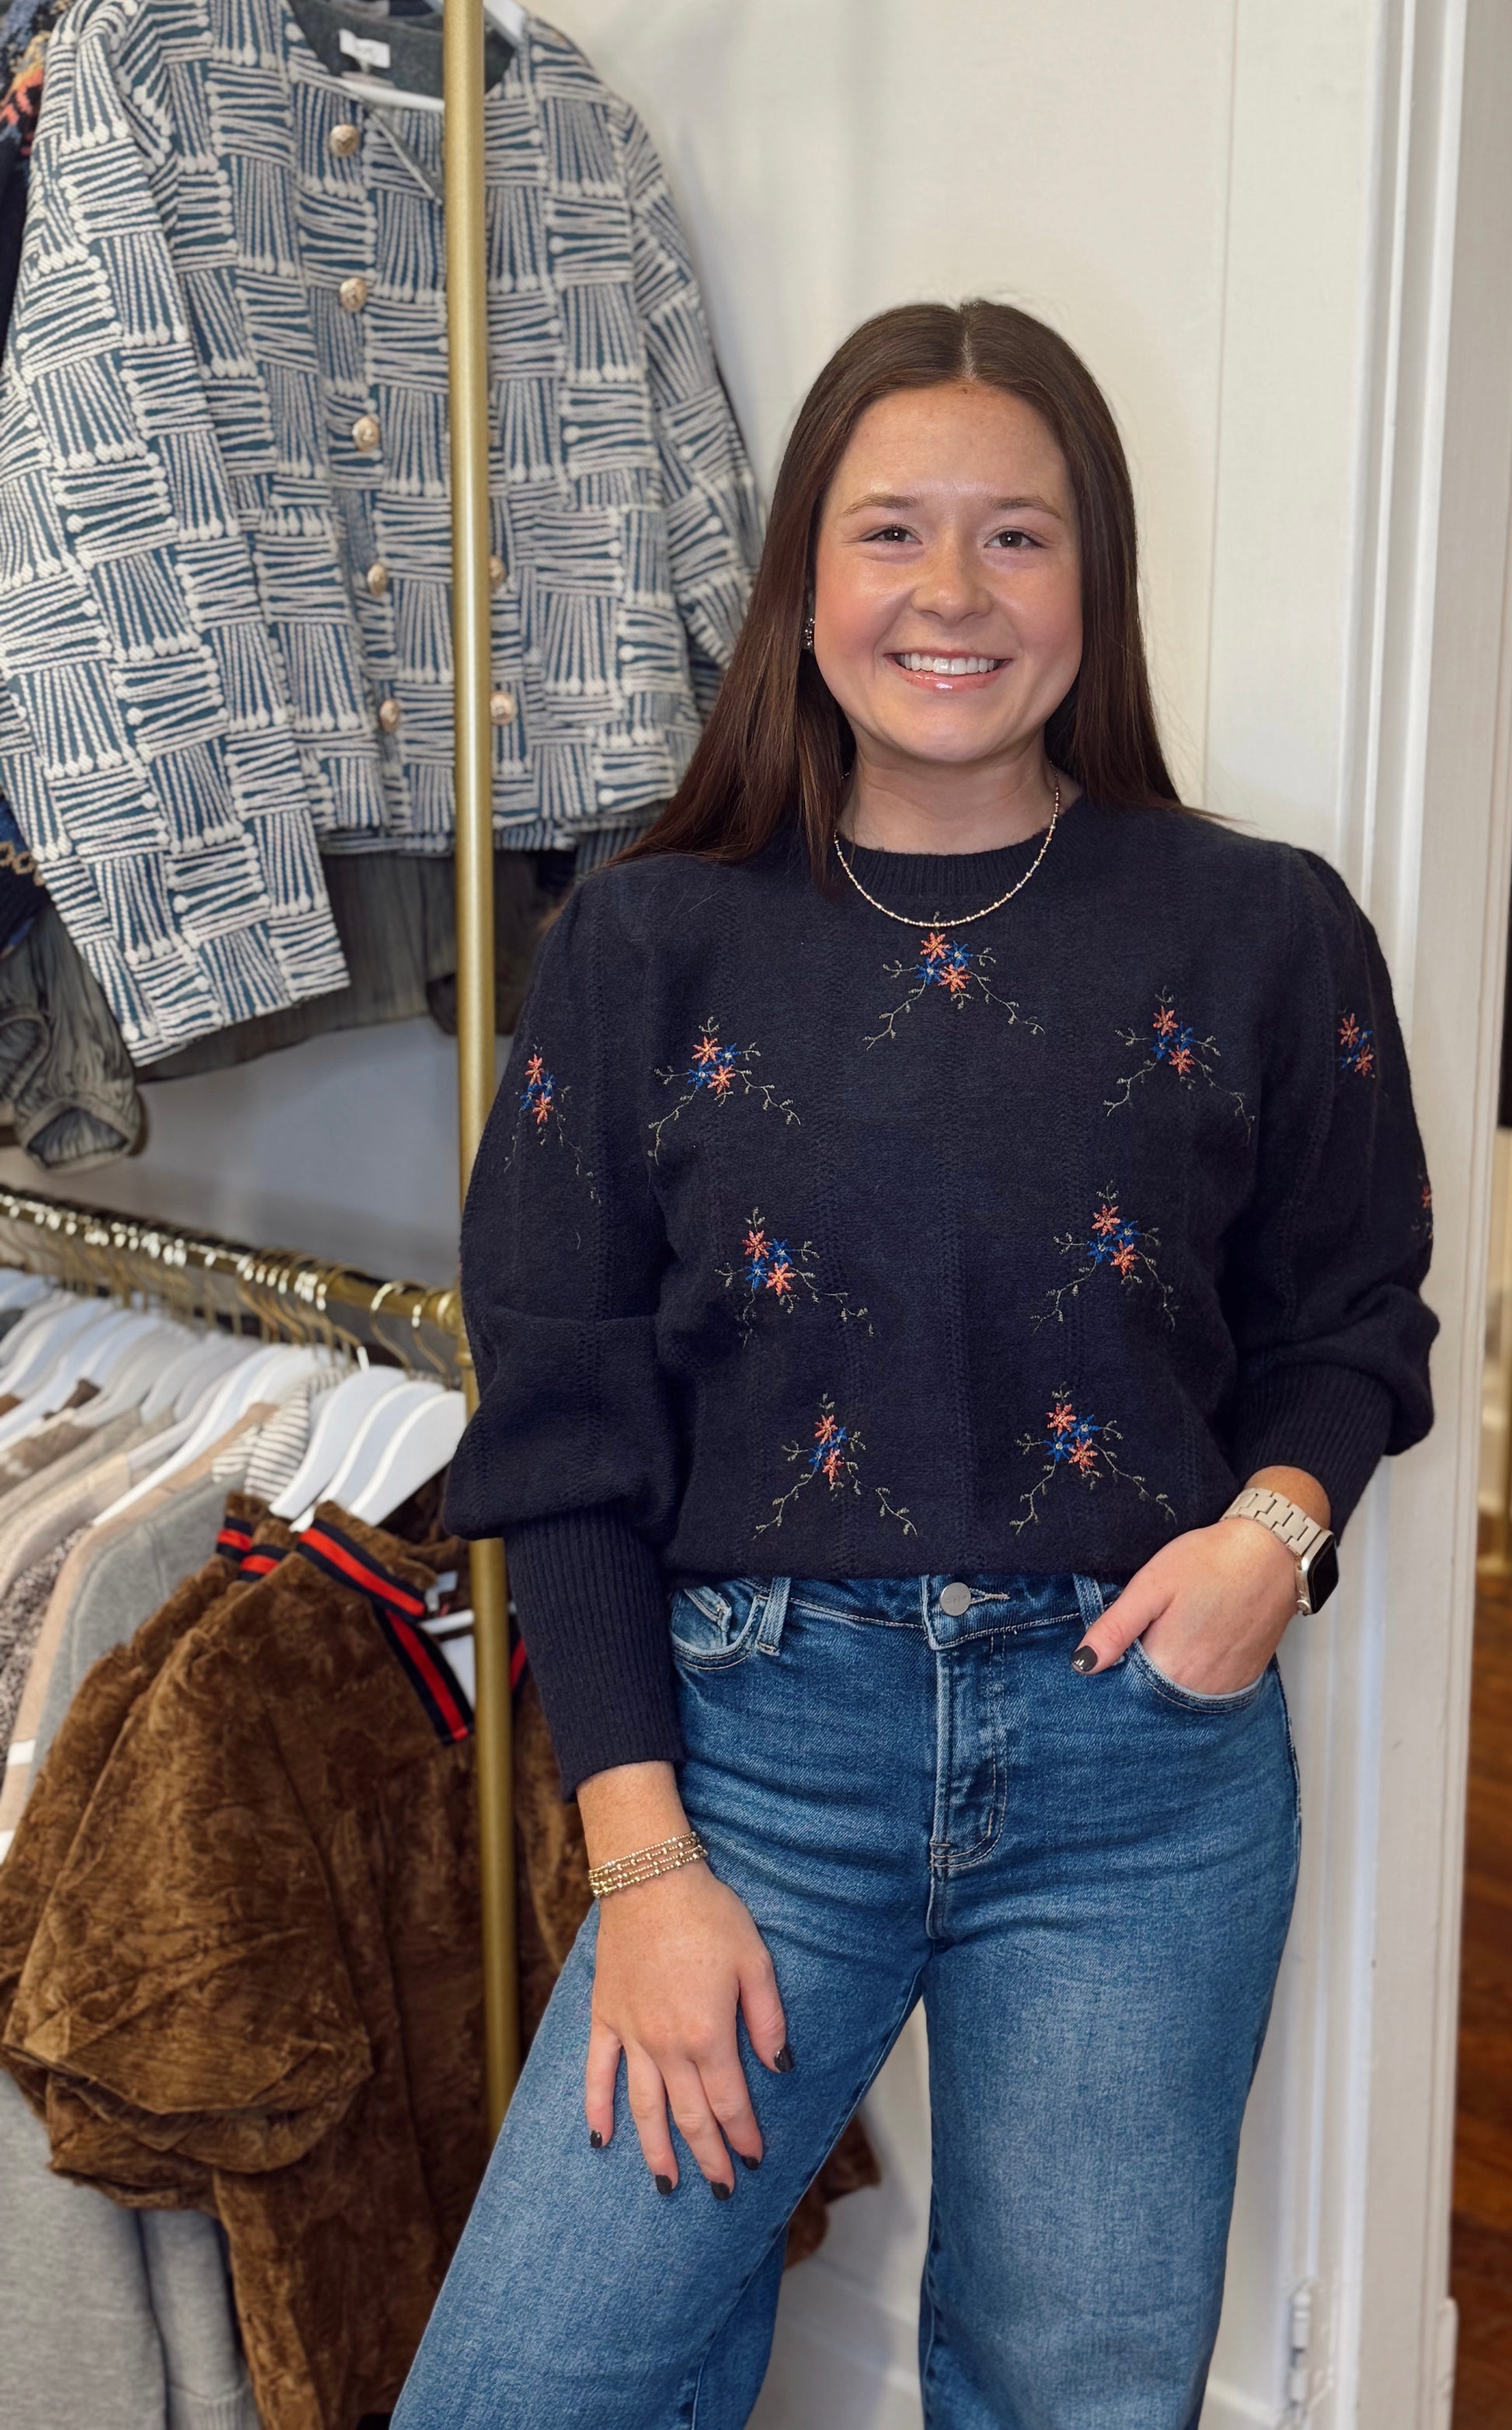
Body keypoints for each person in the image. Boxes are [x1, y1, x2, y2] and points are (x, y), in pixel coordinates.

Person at [395, 300, 1436, 2429]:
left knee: (1073, 2393)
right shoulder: (643, 942)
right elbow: (566, 1428)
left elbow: (1351, 1317)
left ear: (1093, 580)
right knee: (535, 2383)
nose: (950, 592)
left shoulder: (1260, 926)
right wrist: (643, 1862)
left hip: (1141, 1772)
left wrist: (1271, 1537)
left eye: (1016, 537)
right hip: (754, 1768)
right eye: (890, 531)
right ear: (803, 578)